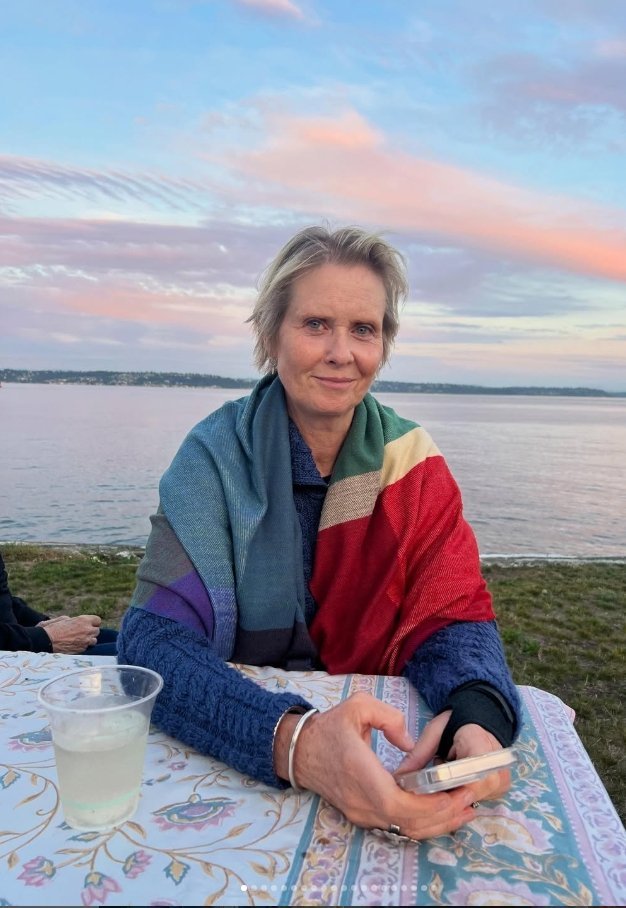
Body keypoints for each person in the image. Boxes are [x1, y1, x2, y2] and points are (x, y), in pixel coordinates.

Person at [118, 225, 521, 840]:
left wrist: (476, 716)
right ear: (270, 334)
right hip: (239, 770)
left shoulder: (412, 465)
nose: (341, 352)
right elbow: (152, 640)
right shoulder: (212, 460)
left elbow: (453, 616)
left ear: (383, 344)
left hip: (392, 752)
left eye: (363, 329)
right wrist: (298, 743)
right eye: (315, 324)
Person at [0, 550, 118, 655]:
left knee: (116, 638)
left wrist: (49, 624)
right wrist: (46, 638)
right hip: (11, 654)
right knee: (124, 654)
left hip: (17, 637)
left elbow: (4, 597)